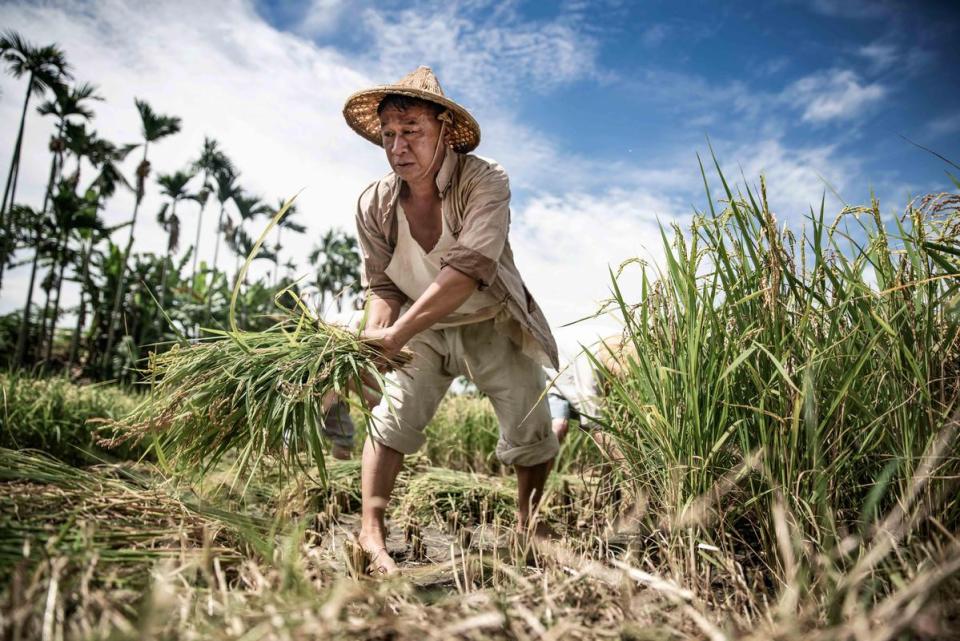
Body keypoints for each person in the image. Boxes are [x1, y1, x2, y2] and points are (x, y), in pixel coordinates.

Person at [342, 66, 560, 574]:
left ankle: (527, 521)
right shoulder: (373, 203)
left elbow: (468, 270)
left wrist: (399, 332)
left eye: (412, 131)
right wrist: (378, 336)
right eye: (389, 135)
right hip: (426, 332)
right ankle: (370, 534)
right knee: (390, 419)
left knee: (530, 418)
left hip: (488, 317)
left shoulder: (485, 181)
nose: (398, 146)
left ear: (443, 129)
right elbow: (382, 285)